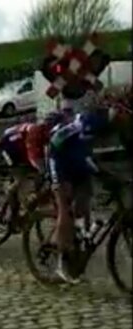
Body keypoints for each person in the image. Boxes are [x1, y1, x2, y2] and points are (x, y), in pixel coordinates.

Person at [48, 100, 120, 283]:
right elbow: (84, 158)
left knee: (84, 201)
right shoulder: (88, 124)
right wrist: (102, 173)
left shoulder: (100, 125)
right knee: (64, 211)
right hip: (58, 159)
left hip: (75, 158)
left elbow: (89, 158)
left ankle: (79, 239)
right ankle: (60, 262)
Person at [0, 111, 68, 229]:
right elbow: (32, 156)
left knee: (38, 173)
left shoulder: (49, 133)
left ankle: (29, 201)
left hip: (21, 146)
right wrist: (44, 171)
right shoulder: (36, 132)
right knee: (21, 177)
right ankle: (6, 212)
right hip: (8, 146)